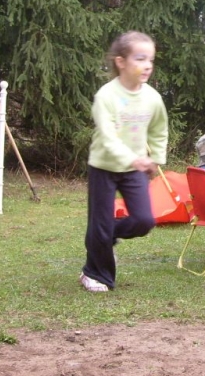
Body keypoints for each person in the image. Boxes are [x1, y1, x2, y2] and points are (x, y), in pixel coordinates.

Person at [80, 31, 169, 293]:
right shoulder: (106, 96)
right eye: (140, 58)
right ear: (121, 62)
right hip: (103, 167)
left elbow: (159, 130)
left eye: (150, 59)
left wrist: (156, 159)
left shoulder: (152, 97)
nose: (148, 65)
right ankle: (95, 274)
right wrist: (133, 158)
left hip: (135, 169)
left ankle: (104, 237)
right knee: (100, 222)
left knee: (144, 221)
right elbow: (107, 137)